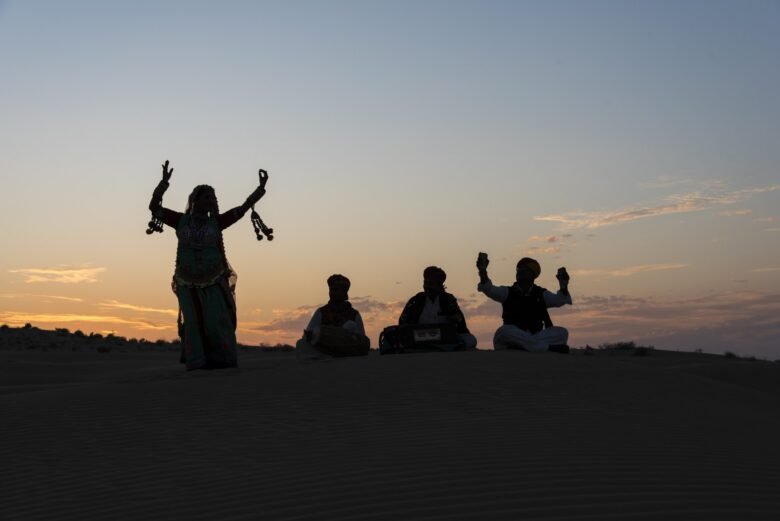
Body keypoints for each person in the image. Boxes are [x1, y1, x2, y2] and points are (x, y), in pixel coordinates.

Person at [147, 160, 269, 370]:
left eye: (213, 198)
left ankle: (221, 360)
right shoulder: (180, 220)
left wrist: (260, 190)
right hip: (186, 280)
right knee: (193, 322)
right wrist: (163, 183)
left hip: (214, 278)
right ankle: (197, 362)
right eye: (207, 197)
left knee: (216, 320)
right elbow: (154, 208)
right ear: (195, 200)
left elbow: (241, 210)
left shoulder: (216, 223)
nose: (211, 201)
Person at [476, 253, 572, 353]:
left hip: (532, 336)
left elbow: (560, 300)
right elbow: (489, 289)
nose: (520, 272)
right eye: (518, 270)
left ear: (533, 275)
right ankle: (545, 347)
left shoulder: (541, 294)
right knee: (503, 331)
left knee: (562, 332)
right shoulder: (507, 292)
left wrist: (563, 284)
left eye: (524, 270)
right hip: (513, 335)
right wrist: (482, 271)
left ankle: (527, 346)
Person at [396, 266, 477, 350]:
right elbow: (403, 323)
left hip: (444, 339)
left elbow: (460, 325)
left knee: (470, 339)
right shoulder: (416, 300)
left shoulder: (448, 300)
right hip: (419, 338)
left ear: (439, 285)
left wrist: (454, 318)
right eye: (425, 282)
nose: (427, 286)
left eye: (431, 283)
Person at [296, 274, 370, 359]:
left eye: (335, 290)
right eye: (331, 290)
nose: (332, 293)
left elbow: (362, 340)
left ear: (344, 292)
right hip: (325, 349)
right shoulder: (321, 312)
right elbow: (308, 336)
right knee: (300, 344)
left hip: (346, 350)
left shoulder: (354, 314)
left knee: (351, 325)